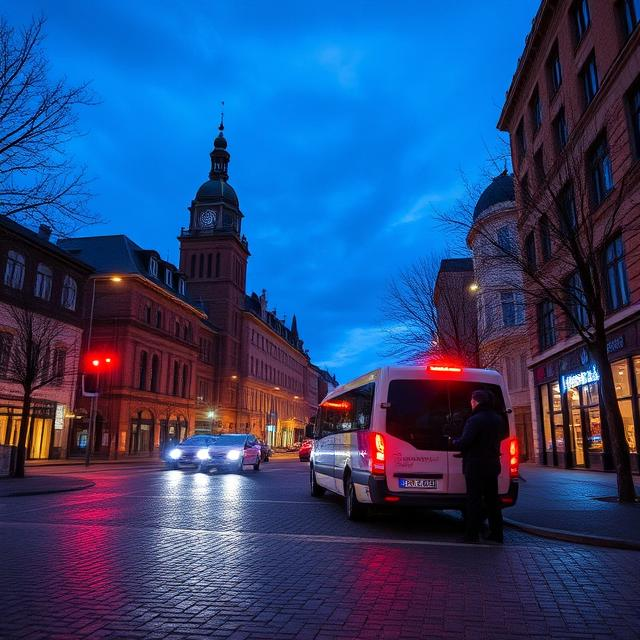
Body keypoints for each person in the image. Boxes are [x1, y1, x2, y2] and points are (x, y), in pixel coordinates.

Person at [453, 389, 509, 543]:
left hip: (476, 465)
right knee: (492, 501)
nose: (470, 403)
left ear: (475, 401)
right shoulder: (497, 418)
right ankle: (497, 534)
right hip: (492, 464)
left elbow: (466, 441)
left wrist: (454, 442)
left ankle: (472, 534)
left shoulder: (475, 419)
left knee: (474, 500)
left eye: (472, 400)